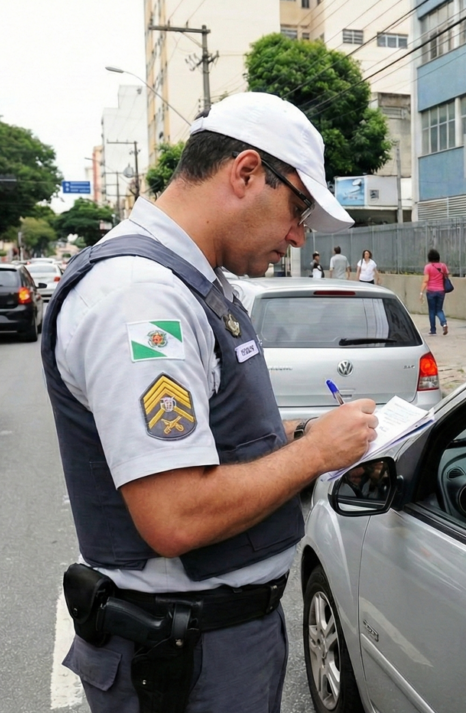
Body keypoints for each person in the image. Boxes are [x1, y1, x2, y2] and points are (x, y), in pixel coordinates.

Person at [40, 92, 379, 713]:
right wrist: (314, 456)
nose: (298, 235)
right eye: (297, 207)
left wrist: (305, 434)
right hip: (184, 658)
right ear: (246, 172)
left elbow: (208, 432)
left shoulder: (186, 280)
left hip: (212, 641)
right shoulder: (141, 298)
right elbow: (174, 516)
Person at [420, 248, 450, 336]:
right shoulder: (443, 266)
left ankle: (433, 330)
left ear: (429, 258)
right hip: (441, 291)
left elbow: (425, 281)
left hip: (431, 292)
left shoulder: (428, 267)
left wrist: (421, 292)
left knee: (432, 311)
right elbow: (447, 275)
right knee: (439, 309)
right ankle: (444, 323)